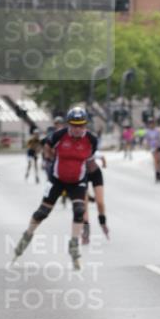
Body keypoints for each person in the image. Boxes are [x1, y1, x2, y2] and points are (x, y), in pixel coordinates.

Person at [12, 106, 101, 270]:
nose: (77, 129)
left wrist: (96, 180)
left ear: (86, 125)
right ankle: (27, 235)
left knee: (79, 210)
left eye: (81, 125)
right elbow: (46, 145)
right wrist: (50, 157)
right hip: (57, 179)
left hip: (78, 180)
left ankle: (73, 245)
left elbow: (90, 160)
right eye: (74, 125)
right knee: (42, 213)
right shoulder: (59, 135)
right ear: (68, 124)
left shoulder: (91, 140)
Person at [82, 141, 110, 245]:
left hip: (95, 174)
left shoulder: (92, 151)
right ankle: (86, 229)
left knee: (100, 202)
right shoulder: (76, 152)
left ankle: (102, 221)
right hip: (83, 175)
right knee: (84, 205)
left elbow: (102, 157)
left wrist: (104, 165)